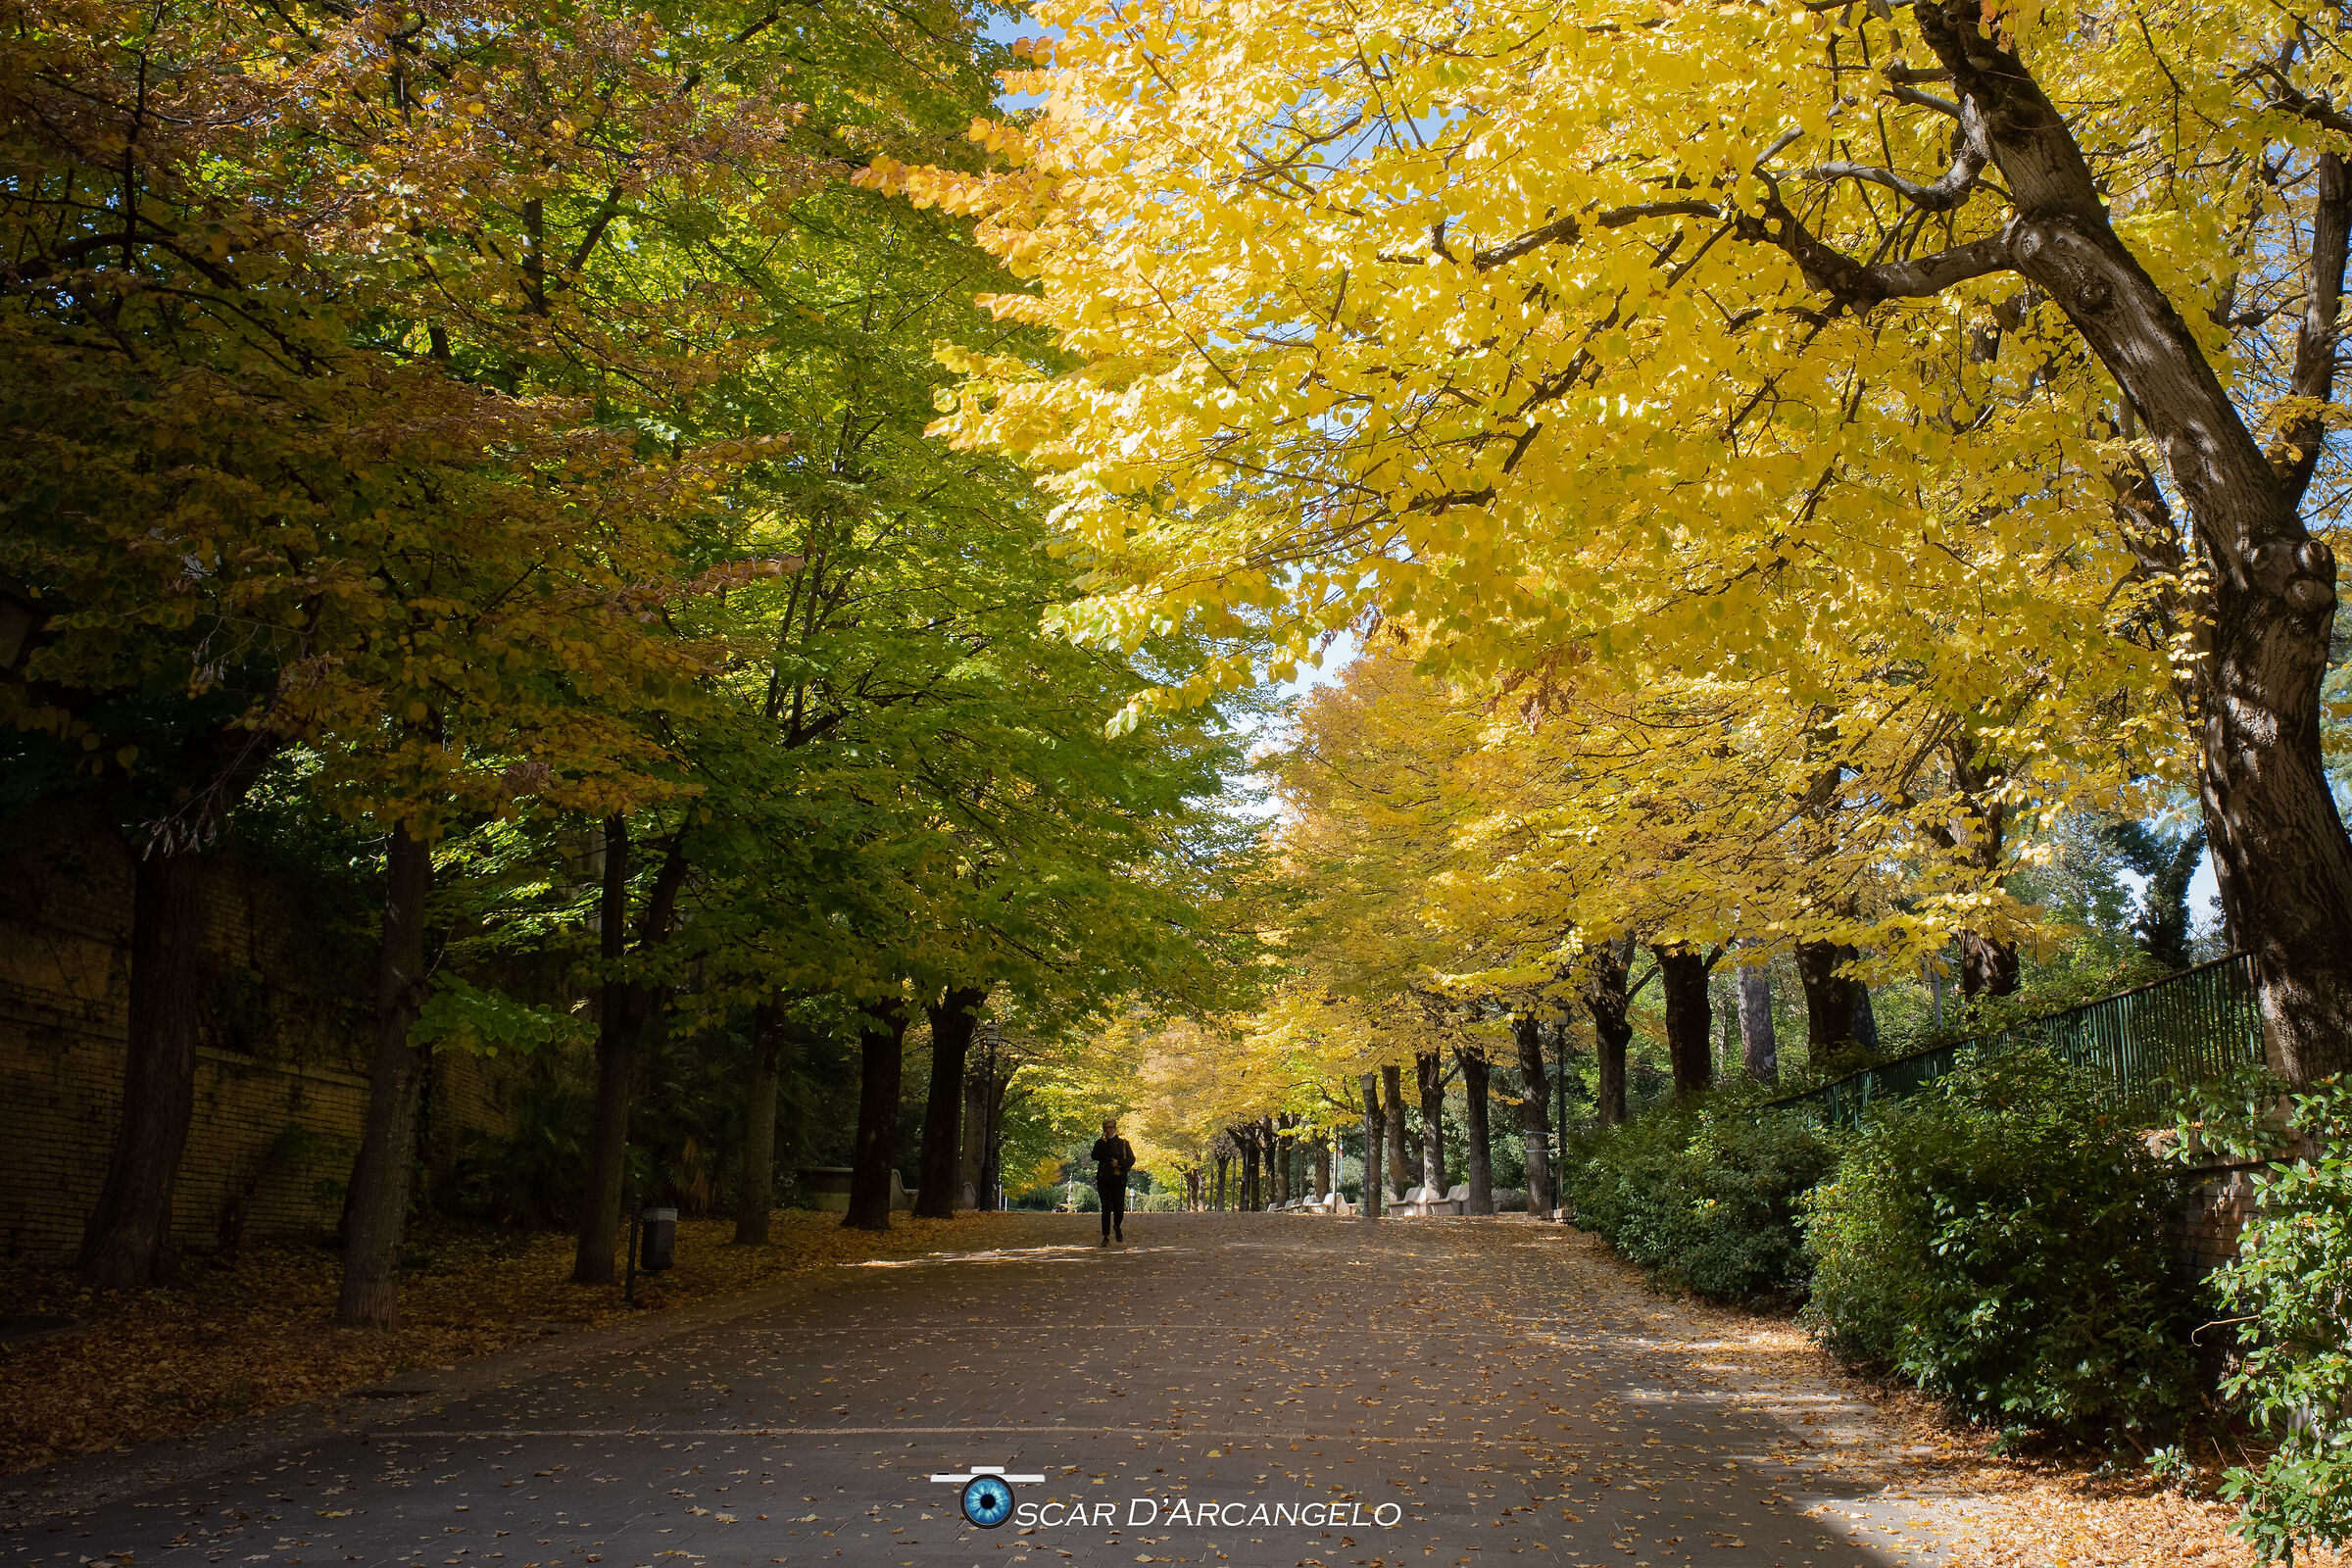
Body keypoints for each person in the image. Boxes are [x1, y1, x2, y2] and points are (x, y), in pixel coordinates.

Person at [1089, 1117, 1136, 1246]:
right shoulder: (1100, 1143)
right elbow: (1094, 1156)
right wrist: (1102, 1142)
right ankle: (1105, 1236)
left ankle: (1117, 1226)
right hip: (1104, 1179)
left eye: (1111, 1127)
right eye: (1106, 1128)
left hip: (1119, 1179)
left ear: (1115, 1128)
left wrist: (1119, 1163)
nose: (1109, 1130)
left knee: (1119, 1207)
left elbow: (1131, 1159)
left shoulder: (1123, 1143)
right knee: (1105, 1208)